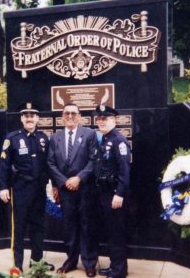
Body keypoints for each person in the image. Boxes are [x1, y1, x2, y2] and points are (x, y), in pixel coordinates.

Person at [0, 102, 54, 275]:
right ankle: (18, 265)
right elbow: (4, 165)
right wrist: (3, 187)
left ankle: (37, 262)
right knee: (19, 227)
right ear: (22, 118)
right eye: (26, 115)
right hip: (20, 188)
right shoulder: (12, 138)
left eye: (32, 115)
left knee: (38, 226)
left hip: (39, 189)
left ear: (37, 118)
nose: (29, 118)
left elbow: (49, 164)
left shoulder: (44, 138)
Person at [47, 103, 98, 278]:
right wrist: (62, 182)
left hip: (85, 189)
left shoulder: (89, 134)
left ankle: (89, 263)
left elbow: (93, 160)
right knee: (69, 227)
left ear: (79, 116)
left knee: (87, 226)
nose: (70, 116)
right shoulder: (55, 138)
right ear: (62, 116)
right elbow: (51, 163)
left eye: (73, 113)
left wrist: (78, 178)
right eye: (66, 113)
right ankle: (70, 260)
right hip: (65, 191)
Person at [94, 105, 130, 278]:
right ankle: (115, 265)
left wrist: (120, 193)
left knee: (117, 232)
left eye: (105, 119)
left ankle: (119, 270)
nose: (101, 121)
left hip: (114, 192)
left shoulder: (119, 140)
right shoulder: (104, 139)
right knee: (110, 231)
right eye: (99, 119)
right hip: (104, 192)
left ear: (114, 120)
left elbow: (124, 170)